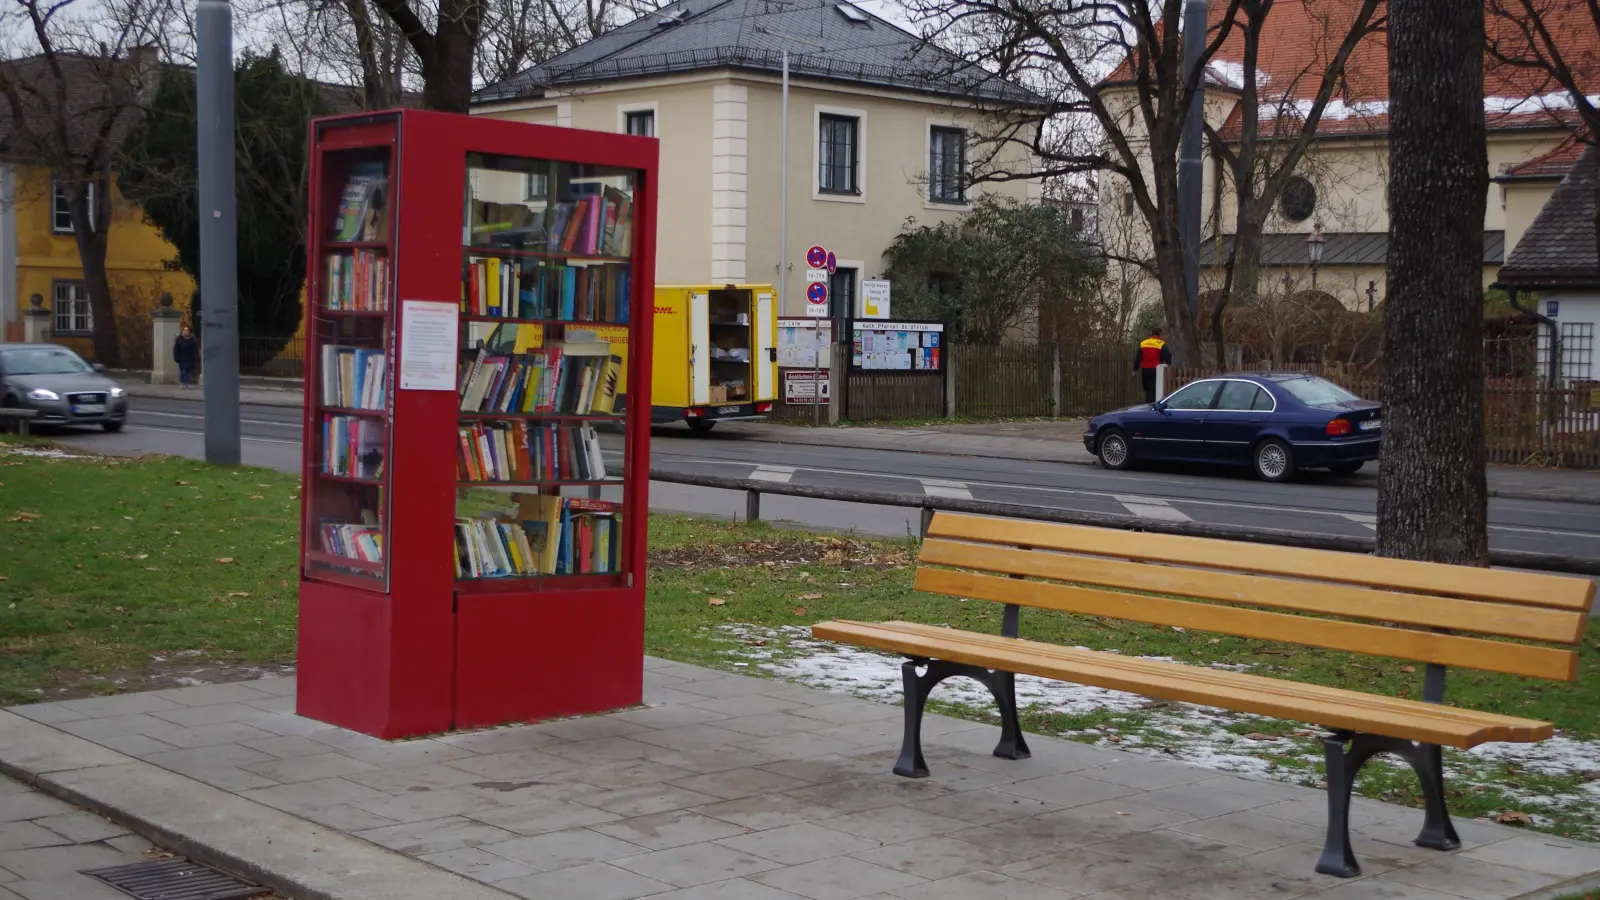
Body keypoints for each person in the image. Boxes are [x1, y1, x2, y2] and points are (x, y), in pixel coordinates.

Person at [1133, 327, 1171, 403]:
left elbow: (1138, 357)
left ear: (1151, 334)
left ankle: (1147, 403)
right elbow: (1167, 355)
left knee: (1148, 389)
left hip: (1145, 370)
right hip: (1155, 369)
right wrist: (1169, 363)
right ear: (1159, 334)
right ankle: (1151, 405)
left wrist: (1135, 369)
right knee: (1154, 390)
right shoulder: (1160, 343)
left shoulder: (1143, 343)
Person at [174, 325, 199, 389]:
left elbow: (195, 349)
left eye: (187, 330)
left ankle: (188, 383)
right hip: (182, 358)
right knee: (183, 371)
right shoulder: (179, 340)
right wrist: (176, 357)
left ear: (189, 332)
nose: (185, 331)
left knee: (189, 371)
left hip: (190, 358)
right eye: (184, 330)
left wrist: (197, 357)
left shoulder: (193, 340)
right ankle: (182, 382)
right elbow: (176, 349)